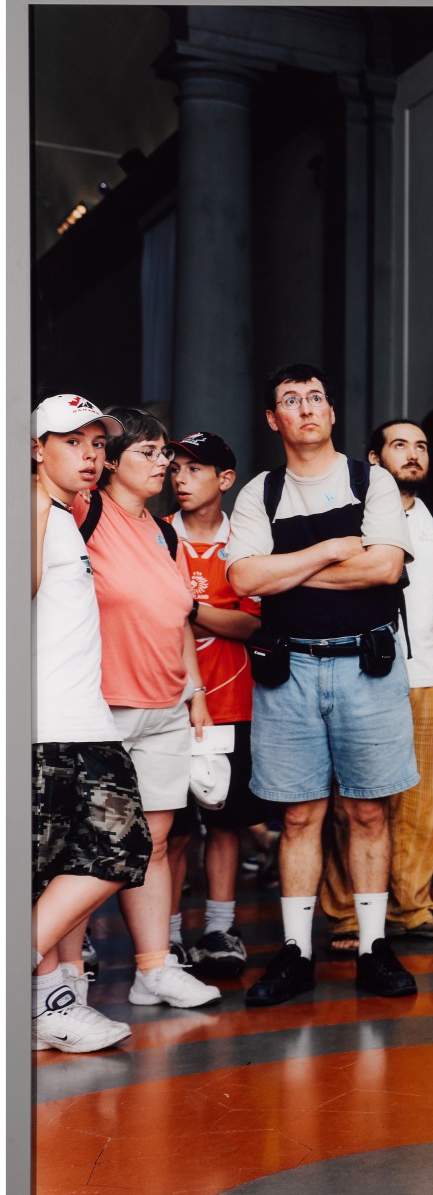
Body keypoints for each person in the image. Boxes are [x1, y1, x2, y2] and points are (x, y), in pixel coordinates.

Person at [227, 364, 420, 1005]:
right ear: (273, 419)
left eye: (316, 398)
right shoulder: (262, 491)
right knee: (299, 814)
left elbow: (387, 565)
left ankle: (371, 948)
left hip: (368, 665)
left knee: (368, 810)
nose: (306, 408)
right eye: (291, 400)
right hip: (290, 668)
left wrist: (284, 570)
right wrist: (335, 548)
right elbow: (245, 583)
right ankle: (296, 953)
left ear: (332, 412)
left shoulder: (374, 481)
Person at [73, 406, 222, 1010]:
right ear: (110, 460)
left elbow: (179, 619)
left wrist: (196, 696)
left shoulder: (165, 532)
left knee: (155, 844)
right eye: (150, 453)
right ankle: (60, 976)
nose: (164, 464)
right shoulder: (84, 514)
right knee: (88, 847)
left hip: (165, 707)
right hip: (102, 708)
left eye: (166, 454)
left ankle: (152, 968)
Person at [318, 419, 433, 952]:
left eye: (422, 446)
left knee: (430, 804)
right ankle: (347, 916)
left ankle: (411, 907)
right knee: (355, 802)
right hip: (364, 676)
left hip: (430, 679)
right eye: (400, 445)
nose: (414, 454)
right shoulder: (351, 520)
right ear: (375, 459)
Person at [31, 395, 151, 1051]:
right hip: (51, 726)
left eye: (97, 443)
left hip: (78, 719)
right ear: (35, 447)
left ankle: (42, 999)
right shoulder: (30, 508)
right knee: (119, 846)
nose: (91, 455)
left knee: (70, 863)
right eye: (73, 441)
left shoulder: (63, 515)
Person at [167, 432, 266, 980]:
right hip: (168, 706)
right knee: (173, 828)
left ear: (225, 480)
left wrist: (186, 606)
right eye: (175, 467)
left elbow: (251, 623)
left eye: (194, 469)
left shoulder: (245, 542)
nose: (180, 477)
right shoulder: (157, 536)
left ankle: (220, 928)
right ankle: (169, 934)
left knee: (226, 823)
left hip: (234, 703)